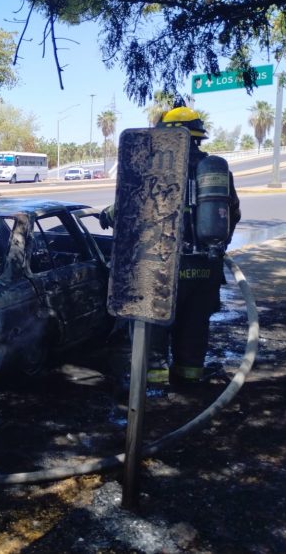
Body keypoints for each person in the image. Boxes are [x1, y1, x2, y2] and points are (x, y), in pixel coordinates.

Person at [100, 106, 241, 388]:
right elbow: (232, 214)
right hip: (205, 267)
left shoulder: (160, 169)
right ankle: (189, 382)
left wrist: (107, 214)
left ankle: (152, 388)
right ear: (198, 137)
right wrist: (215, 248)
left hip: (165, 266)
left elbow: (133, 209)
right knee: (194, 327)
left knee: (154, 328)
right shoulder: (215, 172)